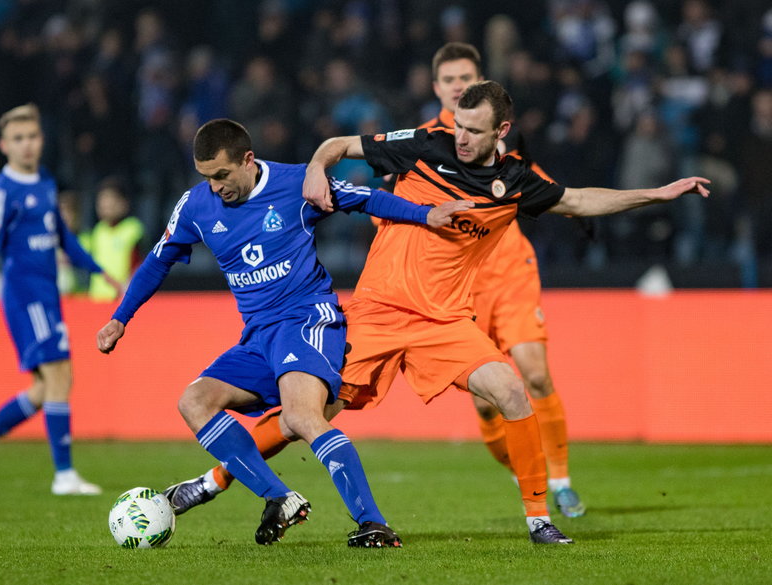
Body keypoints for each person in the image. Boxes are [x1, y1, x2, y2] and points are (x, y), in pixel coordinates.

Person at [164, 82, 708, 546]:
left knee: (514, 392)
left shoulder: (516, 181)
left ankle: (540, 519)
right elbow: (336, 144)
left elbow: (582, 201)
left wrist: (659, 195)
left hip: (445, 323)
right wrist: (314, 171)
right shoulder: (425, 144)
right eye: (459, 126)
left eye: (474, 130)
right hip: (375, 313)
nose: (461, 137)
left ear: (503, 130)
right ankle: (211, 481)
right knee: (306, 412)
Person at [95, 118, 471, 547]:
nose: (216, 187)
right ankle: (280, 497)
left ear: (247, 160)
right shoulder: (196, 207)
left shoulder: (295, 184)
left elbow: (363, 199)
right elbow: (159, 260)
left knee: (300, 417)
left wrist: (426, 214)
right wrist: (121, 318)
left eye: (222, 175)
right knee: (194, 401)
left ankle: (373, 522)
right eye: (207, 177)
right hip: (257, 337)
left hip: (306, 320)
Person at [420, 41, 586, 517]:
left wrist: (574, 208)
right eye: (451, 79)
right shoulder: (424, 144)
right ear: (437, 88)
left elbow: (531, 180)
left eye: (467, 78)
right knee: (489, 404)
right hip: (461, 284)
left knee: (534, 372)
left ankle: (560, 482)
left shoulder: (499, 134)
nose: (459, 86)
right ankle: (523, 468)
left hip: (511, 267)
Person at [0, 103, 121, 496]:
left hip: (48, 294)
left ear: (41, 140)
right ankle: (64, 475)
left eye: (32, 137)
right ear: (4, 145)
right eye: (18, 139)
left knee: (47, 388)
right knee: (61, 375)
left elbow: (63, 238)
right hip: (26, 296)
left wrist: (99, 271)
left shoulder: (44, 181)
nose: (27, 145)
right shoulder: (1, 191)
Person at [79, 177, 144, 301]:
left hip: (121, 299)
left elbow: (139, 263)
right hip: (96, 298)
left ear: (124, 203)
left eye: (111, 199)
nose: (106, 204)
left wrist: (129, 290)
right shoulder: (98, 230)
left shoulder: (133, 228)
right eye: (102, 200)